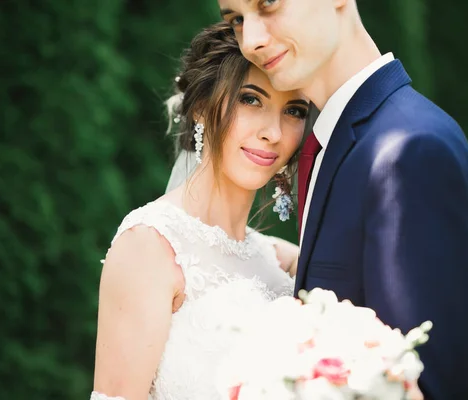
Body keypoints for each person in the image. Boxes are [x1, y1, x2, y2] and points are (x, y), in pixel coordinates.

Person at [217, 0, 468, 399]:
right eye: (237, 20)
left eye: (267, 4)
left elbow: (427, 385)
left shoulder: (407, 151)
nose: (251, 40)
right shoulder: (333, 141)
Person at [91, 22, 309, 400]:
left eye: (293, 110)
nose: (273, 132)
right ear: (202, 108)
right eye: (251, 99)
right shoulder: (149, 247)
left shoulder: (285, 263)